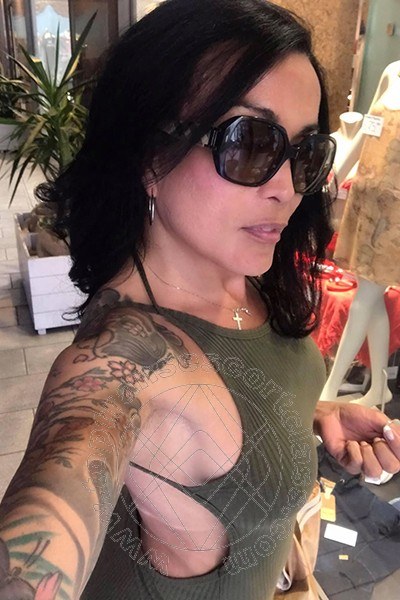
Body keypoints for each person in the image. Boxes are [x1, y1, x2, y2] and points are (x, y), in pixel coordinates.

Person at [0, 2, 399, 599]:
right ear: (149, 151)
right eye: (250, 141)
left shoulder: (239, 275)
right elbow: (61, 484)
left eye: (305, 152)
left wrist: (311, 416)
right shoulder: (126, 360)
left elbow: (233, 402)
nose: (287, 188)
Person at [319, 60, 400, 408]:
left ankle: (328, 391)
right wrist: (336, 172)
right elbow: (369, 125)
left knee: (364, 297)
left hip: (395, 215)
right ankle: (379, 388)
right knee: (372, 295)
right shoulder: (392, 72)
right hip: (366, 200)